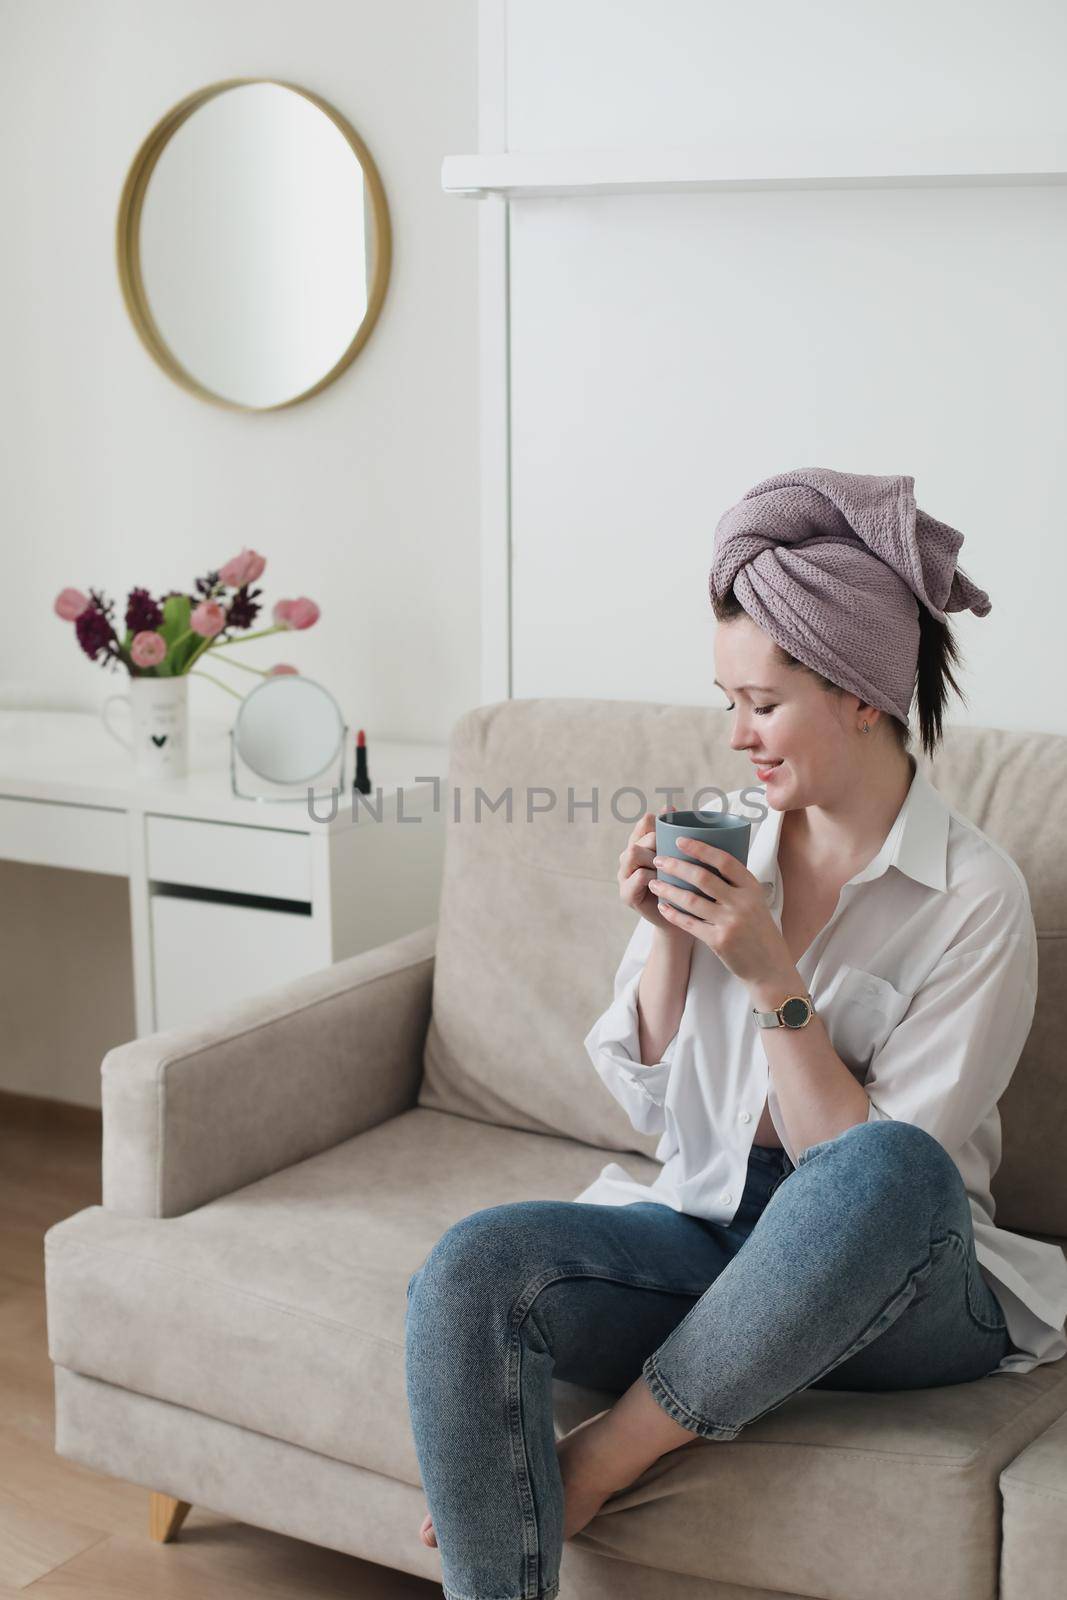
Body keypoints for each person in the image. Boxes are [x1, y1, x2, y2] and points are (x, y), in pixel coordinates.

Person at [404, 468, 1067, 1600]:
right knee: (474, 1269)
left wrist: (771, 976)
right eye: (726, 701)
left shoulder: (973, 897)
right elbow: (657, 1114)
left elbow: (861, 1184)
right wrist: (665, 937)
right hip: (713, 1232)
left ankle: (604, 1461)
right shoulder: (734, 845)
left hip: (900, 1282)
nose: (736, 736)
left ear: (860, 692)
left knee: (890, 1168)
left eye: (761, 703)